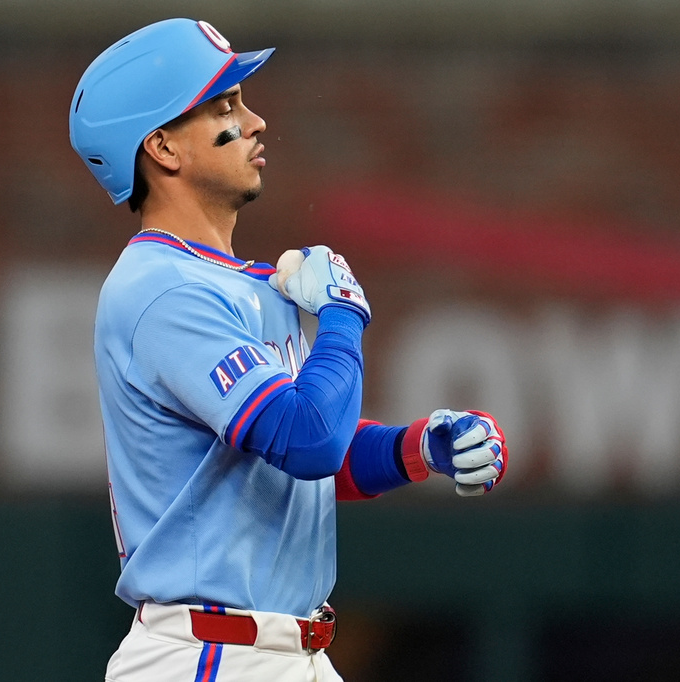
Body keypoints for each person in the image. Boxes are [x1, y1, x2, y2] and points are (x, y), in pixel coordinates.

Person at [69, 18, 509, 682]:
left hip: (286, 651)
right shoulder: (161, 289)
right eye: (224, 106)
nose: (255, 120)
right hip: (206, 654)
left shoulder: (246, 285)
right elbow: (308, 441)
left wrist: (419, 447)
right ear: (162, 147)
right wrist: (340, 315)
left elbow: (304, 465)